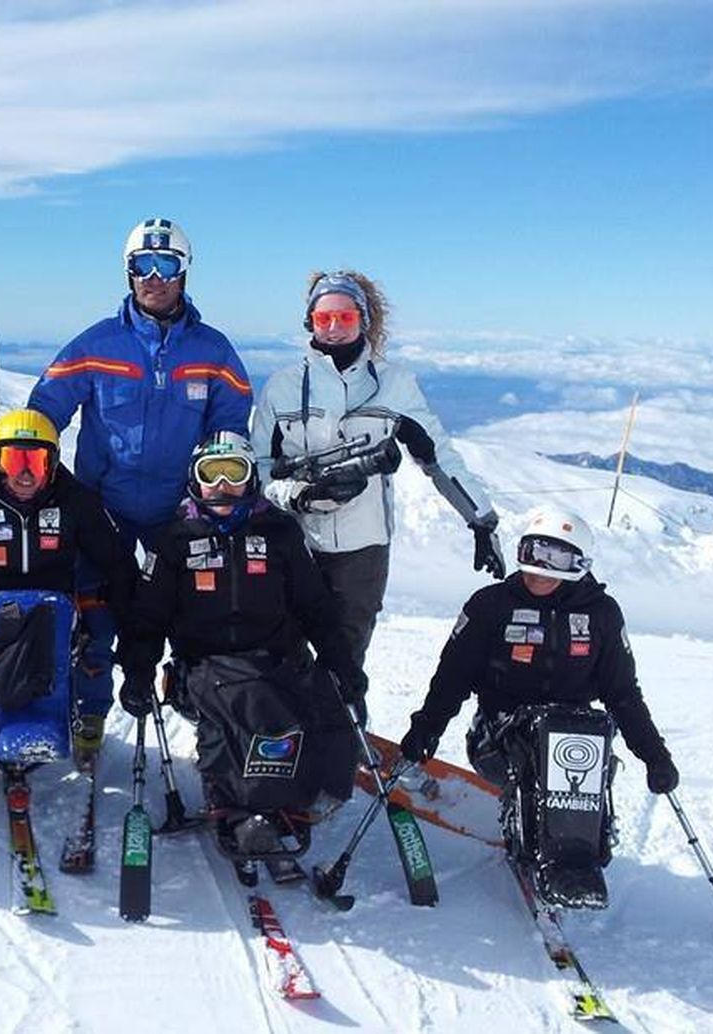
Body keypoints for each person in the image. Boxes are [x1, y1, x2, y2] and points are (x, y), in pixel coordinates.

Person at [28, 217, 253, 736]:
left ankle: (201, 705)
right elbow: (47, 407)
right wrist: (31, 463)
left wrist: (222, 484)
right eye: (141, 266)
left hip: (178, 512)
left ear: (184, 272)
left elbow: (232, 422)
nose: (154, 277)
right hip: (102, 506)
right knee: (95, 611)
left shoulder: (212, 351)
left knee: (191, 608)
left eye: (166, 264)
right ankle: (89, 710)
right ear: (128, 273)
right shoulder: (96, 344)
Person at [252, 269, 504, 724]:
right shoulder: (282, 387)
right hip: (295, 542)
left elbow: (438, 456)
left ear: (363, 321)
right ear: (309, 321)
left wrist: (481, 519)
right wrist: (298, 495)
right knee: (284, 643)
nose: (333, 326)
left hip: (363, 546)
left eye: (345, 316)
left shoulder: (395, 385)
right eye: (323, 316)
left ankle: (339, 734)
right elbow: (261, 469)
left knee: (347, 653)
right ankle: (282, 738)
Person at [397, 506, 678, 907]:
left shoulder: (600, 614)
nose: (538, 569)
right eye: (531, 553)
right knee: (543, 738)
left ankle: (582, 851)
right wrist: (426, 728)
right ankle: (549, 852)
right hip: (499, 736)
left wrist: (655, 757)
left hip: (573, 737)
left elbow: (623, 694)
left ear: (578, 564)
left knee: (582, 738)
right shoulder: (491, 605)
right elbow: (453, 675)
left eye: (554, 559)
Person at [118, 432, 363, 862]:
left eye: (234, 473)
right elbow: (147, 616)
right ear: (194, 480)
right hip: (203, 666)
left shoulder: (279, 532)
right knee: (248, 702)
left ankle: (295, 796)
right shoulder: (175, 537)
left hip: (275, 659)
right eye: (210, 475)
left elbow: (315, 607)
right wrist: (139, 672)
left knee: (314, 703)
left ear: (251, 478)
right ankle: (236, 806)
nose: (222, 487)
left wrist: (342, 664)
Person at [0, 409, 139, 759]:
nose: (27, 474)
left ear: (54, 462)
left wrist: (134, 624)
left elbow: (116, 559)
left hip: (55, 613)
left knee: (84, 634)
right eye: (15, 460)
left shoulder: (74, 500)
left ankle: (77, 714)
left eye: (38, 461)